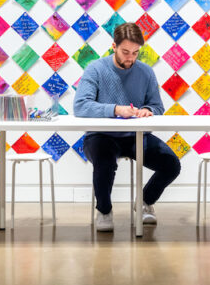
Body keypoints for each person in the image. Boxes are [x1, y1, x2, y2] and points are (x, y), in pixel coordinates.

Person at [74, 22, 181, 232]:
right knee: (104, 164)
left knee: (171, 165)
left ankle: (144, 201)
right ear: (113, 46)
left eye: (135, 52)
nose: (130, 58)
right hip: (101, 135)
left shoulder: (146, 72)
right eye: (125, 52)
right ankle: (104, 211)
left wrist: (148, 110)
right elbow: (80, 106)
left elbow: (157, 106)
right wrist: (115, 109)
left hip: (136, 134)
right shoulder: (95, 68)